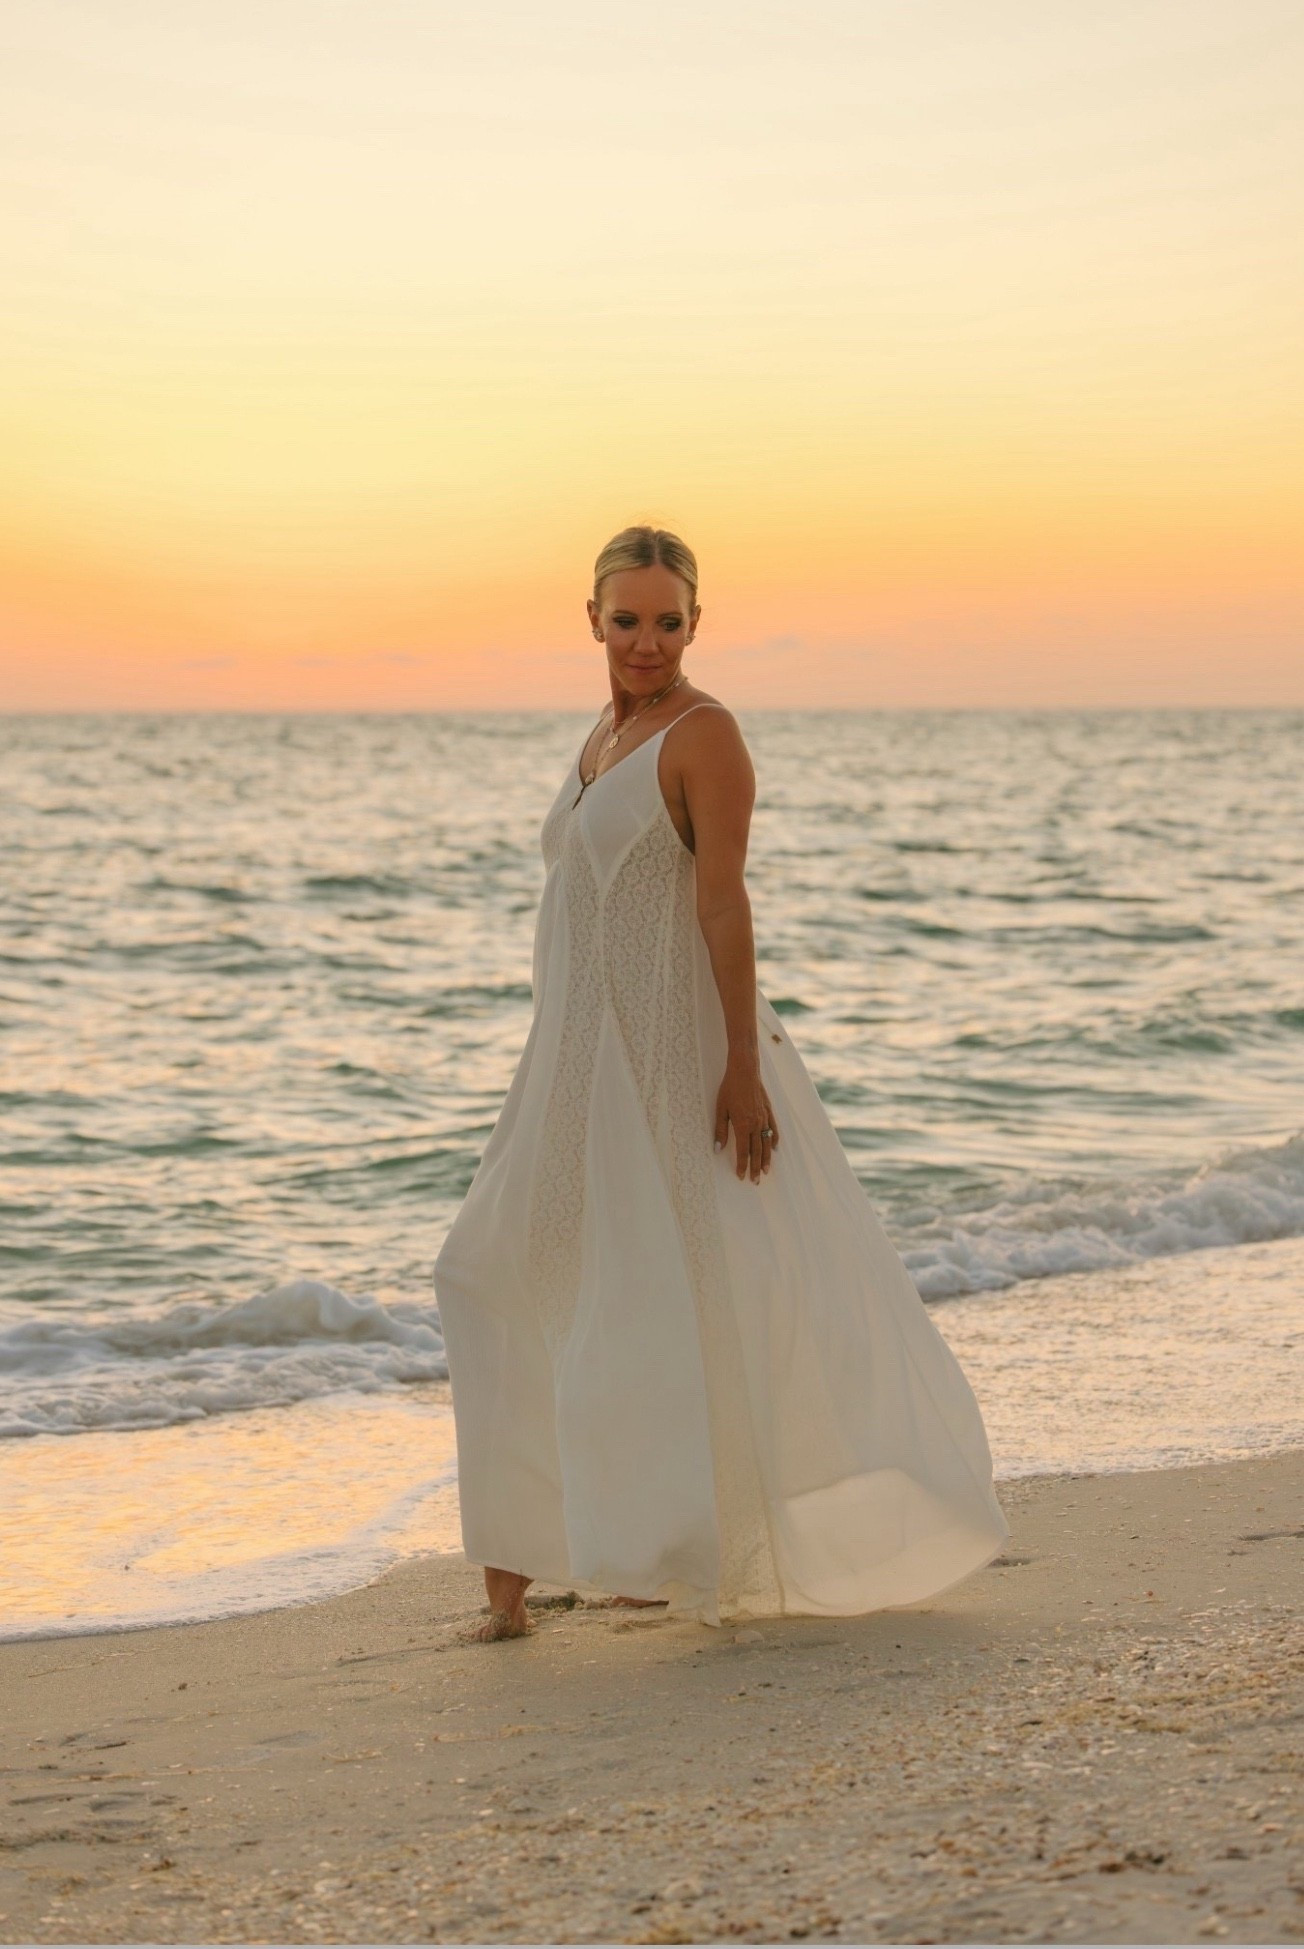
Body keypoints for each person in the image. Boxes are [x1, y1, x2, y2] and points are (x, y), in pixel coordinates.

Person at [432, 524, 1009, 1640]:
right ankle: (535, 1573)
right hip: (573, 1057)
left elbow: (723, 904)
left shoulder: (706, 735)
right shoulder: (604, 732)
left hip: (672, 1053)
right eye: (627, 618)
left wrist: (740, 1064)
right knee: (497, 1269)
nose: (647, 639)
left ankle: (635, 1558)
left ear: (696, 622)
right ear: (590, 617)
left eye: (669, 620)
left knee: (660, 1294)